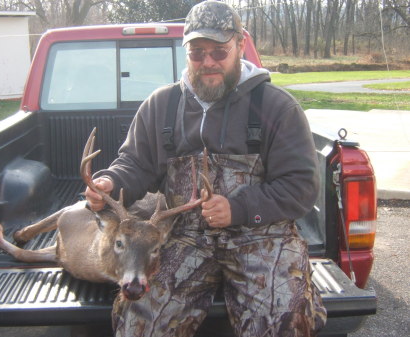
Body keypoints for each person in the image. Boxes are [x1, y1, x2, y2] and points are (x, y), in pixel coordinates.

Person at [85, 1, 327, 336]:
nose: (208, 62)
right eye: (197, 52)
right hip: (185, 238)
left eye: (219, 51)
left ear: (240, 45)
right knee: (140, 323)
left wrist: (239, 207)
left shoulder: (276, 107)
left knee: (280, 326)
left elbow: (301, 186)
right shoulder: (162, 105)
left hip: (261, 236)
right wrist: (111, 181)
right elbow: (135, 163)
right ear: (186, 52)